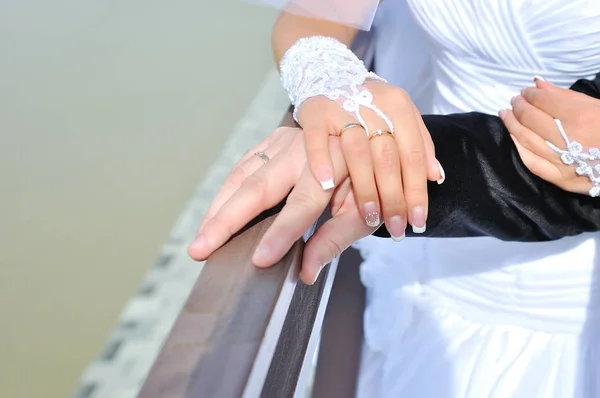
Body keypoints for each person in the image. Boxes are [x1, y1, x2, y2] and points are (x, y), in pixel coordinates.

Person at [190, 2, 600, 396]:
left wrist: (377, 165)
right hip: (419, 260)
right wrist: (338, 88)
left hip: (566, 282)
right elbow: (315, 14)